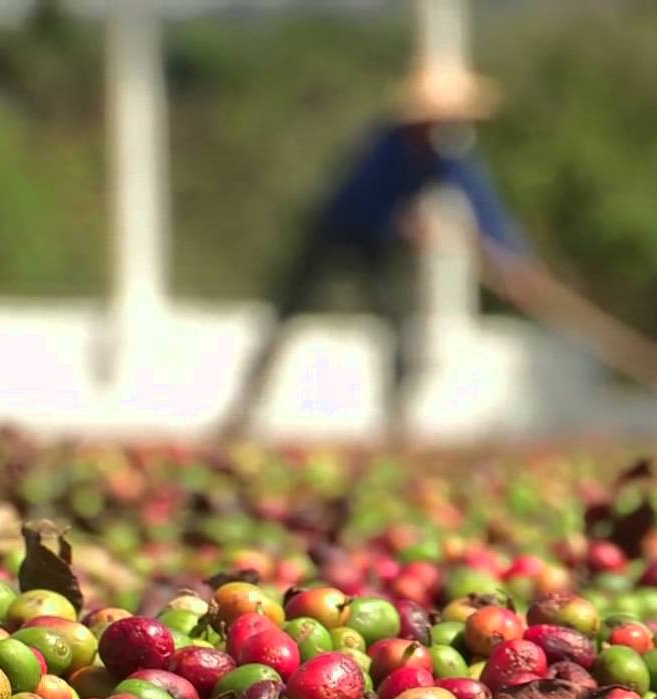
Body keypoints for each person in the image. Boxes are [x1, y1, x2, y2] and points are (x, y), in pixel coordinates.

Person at [219, 64, 538, 445]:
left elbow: (484, 204)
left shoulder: (449, 151)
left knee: (399, 324)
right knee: (287, 315)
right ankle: (244, 410)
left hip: (381, 243)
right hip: (336, 231)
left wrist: (514, 261)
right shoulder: (386, 143)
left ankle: (396, 420)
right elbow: (359, 199)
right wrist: (402, 225)